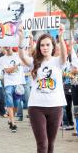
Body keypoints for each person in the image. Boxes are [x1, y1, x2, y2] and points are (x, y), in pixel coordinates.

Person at [18, 24, 67, 153]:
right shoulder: (35, 62)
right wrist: (21, 39)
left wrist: (61, 37)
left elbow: (64, 56)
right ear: (39, 47)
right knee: (42, 144)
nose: (45, 47)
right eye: (42, 45)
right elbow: (22, 57)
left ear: (52, 46)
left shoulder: (58, 62)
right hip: (36, 107)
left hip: (56, 107)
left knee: (51, 144)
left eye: (47, 45)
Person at [0, 47, 26, 132]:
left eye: (8, 45)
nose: (7, 47)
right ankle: (13, 124)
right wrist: (17, 65)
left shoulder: (18, 55)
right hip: (8, 84)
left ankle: (11, 119)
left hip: (18, 84)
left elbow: (26, 59)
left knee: (16, 104)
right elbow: (7, 70)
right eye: (5, 45)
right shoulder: (2, 59)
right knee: (9, 103)